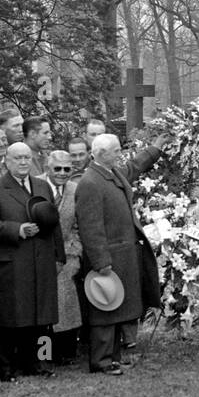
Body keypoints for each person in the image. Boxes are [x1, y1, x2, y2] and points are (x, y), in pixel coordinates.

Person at [76, 133, 168, 374]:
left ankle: (112, 357)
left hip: (122, 256)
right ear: (102, 154)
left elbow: (133, 167)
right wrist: (101, 261)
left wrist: (154, 150)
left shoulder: (110, 173)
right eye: (116, 151)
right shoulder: (90, 182)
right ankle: (102, 361)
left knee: (116, 309)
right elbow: (90, 227)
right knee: (104, 309)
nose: (120, 154)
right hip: (108, 258)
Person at [0, 143, 65, 382]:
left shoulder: (42, 186)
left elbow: (53, 221)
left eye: (27, 157)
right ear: (6, 160)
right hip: (13, 262)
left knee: (43, 318)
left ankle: (41, 361)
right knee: (10, 318)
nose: (24, 162)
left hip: (42, 260)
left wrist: (58, 256)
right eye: (18, 158)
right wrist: (17, 229)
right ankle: (6, 367)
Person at [46, 149, 83, 363]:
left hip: (68, 256)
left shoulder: (75, 190)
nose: (62, 173)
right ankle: (44, 353)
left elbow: (79, 225)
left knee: (67, 305)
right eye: (57, 168)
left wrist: (74, 249)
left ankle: (66, 353)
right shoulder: (36, 186)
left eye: (67, 169)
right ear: (47, 168)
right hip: (40, 257)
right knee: (44, 310)